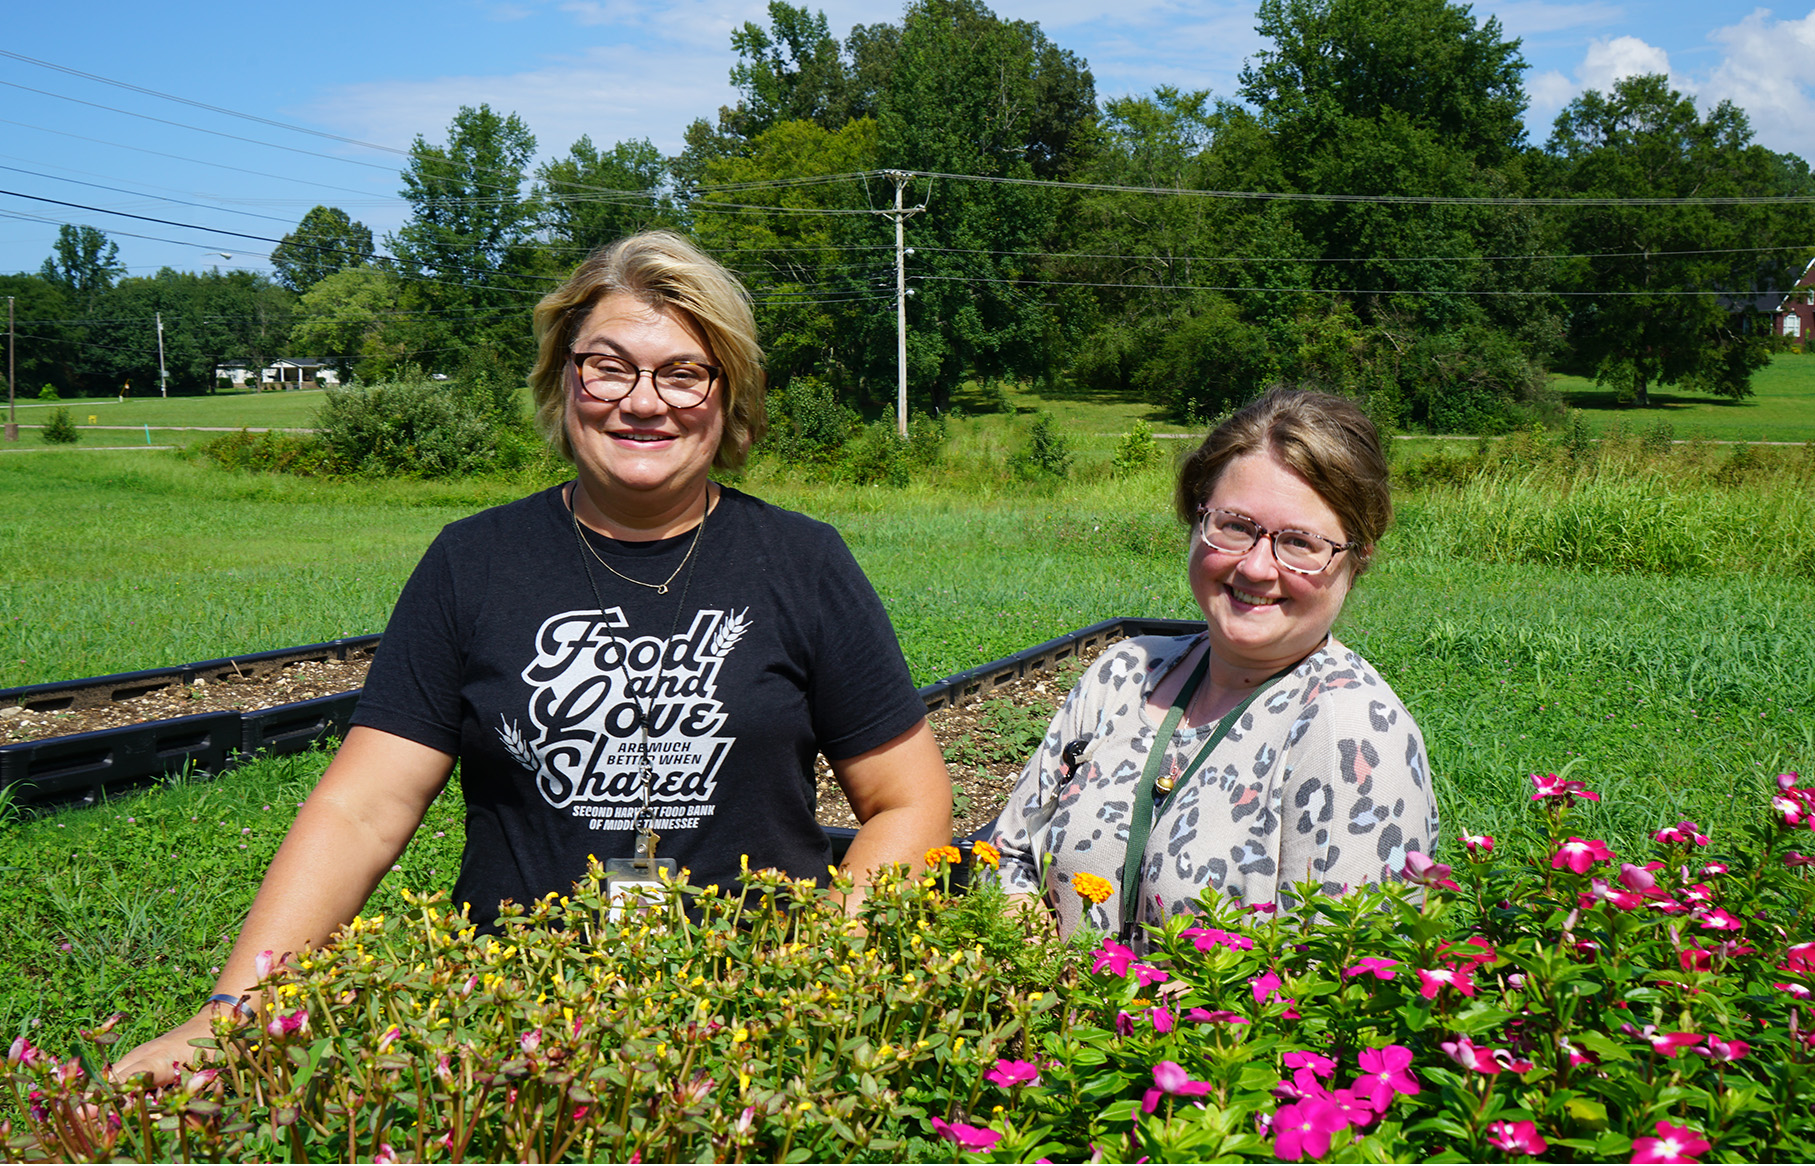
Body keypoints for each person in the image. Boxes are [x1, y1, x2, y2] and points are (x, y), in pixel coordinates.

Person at [115, 232, 952, 1083]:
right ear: (564, 379)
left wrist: (809, 979)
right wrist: (232, 1016)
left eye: (682, 372)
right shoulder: (473, 562)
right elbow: (361, 809)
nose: (643, 401)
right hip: (515, 1029)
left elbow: (907, 802)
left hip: (750, 1030)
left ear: (726, 395)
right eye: (608, 366)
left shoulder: (801, 562)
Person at [992, 388, 1436, 945]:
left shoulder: (1353, 733)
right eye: (1235, 526)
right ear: (1197, 518)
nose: (1255, 566)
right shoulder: (1124, 676)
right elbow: (1004, 852)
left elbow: (1345, 982)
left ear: (1357, 557)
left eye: (1299, 542)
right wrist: (1016, 920)